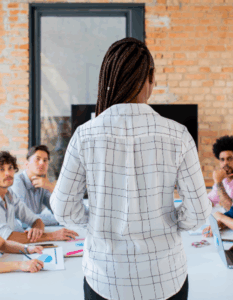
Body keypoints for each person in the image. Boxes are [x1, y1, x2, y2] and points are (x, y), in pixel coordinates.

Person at [50, 37, 212, 300]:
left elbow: (63, 209)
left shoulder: (84, 135)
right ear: (150, 78)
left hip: (105, 280)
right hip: (165, 279)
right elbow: (199, 212)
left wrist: (98, 222)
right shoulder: (178, 135)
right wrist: (169, 222)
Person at [0, 151, 79, 243]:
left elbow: (35, 219)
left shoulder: (9, 194)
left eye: (10, 168)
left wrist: (37, 229)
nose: (7, 173)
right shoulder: (18, 183)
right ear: (27, 164)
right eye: (1, 169)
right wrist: (52, 235)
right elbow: (7, 237)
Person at [11, 145, 59, 226]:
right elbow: (24, 219)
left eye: (45, 160)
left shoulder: (42, 183)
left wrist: (50, 187)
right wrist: (59, 220)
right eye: (37, 159)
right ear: (27, 164)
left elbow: (61, 211)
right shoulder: (16, 182)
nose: (42, 163)